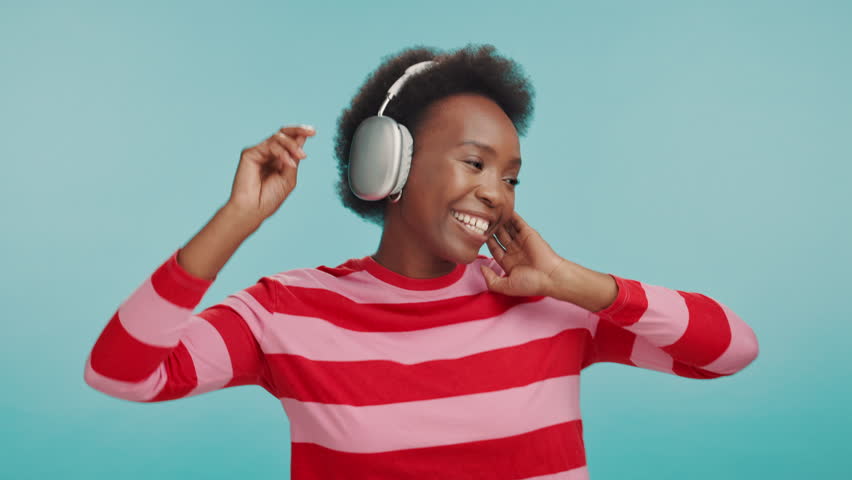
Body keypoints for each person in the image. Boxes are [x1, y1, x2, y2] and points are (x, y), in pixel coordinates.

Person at [84, 45, 759, 479]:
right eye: (475, 162)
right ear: (390, 164)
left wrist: (572, 282)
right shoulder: (284, 313)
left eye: (512, 176)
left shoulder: (552, 305)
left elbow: (731, 350)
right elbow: (122, 375)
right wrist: (236, 221)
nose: (496, 193)